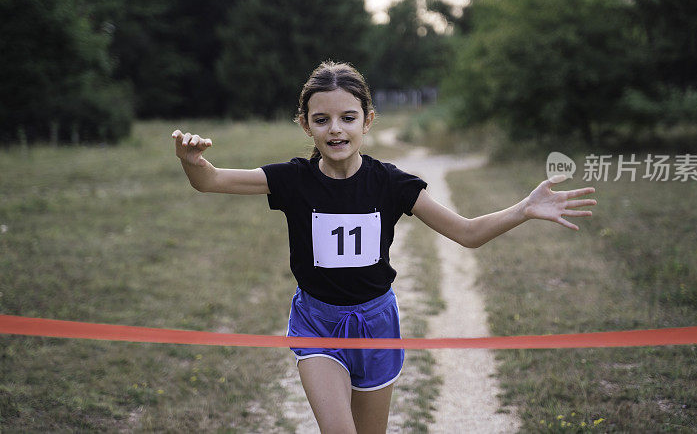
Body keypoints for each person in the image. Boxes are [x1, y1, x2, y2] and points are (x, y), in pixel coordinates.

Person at [171, 61, 596, 434]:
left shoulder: (392, 183)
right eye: (321, 119)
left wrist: (524, 208)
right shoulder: (292, 179)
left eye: (347, 117)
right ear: (305, 125)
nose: (335, 129)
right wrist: (193, 162)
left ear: (367, 121)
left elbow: (467, 233)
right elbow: (210, 181)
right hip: (317, 322)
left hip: (376, 325)